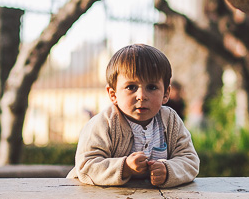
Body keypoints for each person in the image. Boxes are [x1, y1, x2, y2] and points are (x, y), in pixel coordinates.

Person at [68, 44, 200, 187]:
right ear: (113, 94)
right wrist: (125, 167)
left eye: (152, 87)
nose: (142, 96)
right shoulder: (104, 123)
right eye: (131, 87)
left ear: (166, 93)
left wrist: (168, 171)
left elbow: (190, 160)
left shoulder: (170, 120)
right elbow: (86, 165)